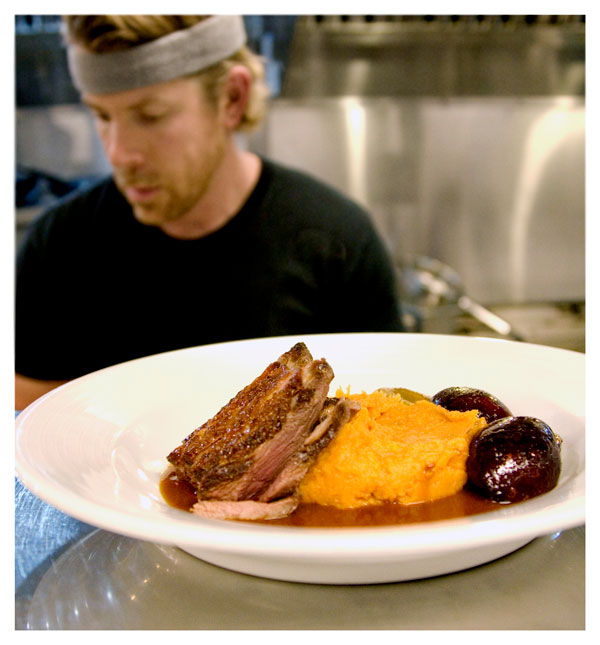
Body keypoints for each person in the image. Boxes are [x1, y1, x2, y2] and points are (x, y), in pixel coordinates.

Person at [15, 15, 403, 409]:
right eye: (102, 115)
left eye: (150, 116)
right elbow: (27, 425)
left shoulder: (336, 242)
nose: (118, 153)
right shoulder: (59, 247)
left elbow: (385, 422)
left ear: (231, 99)